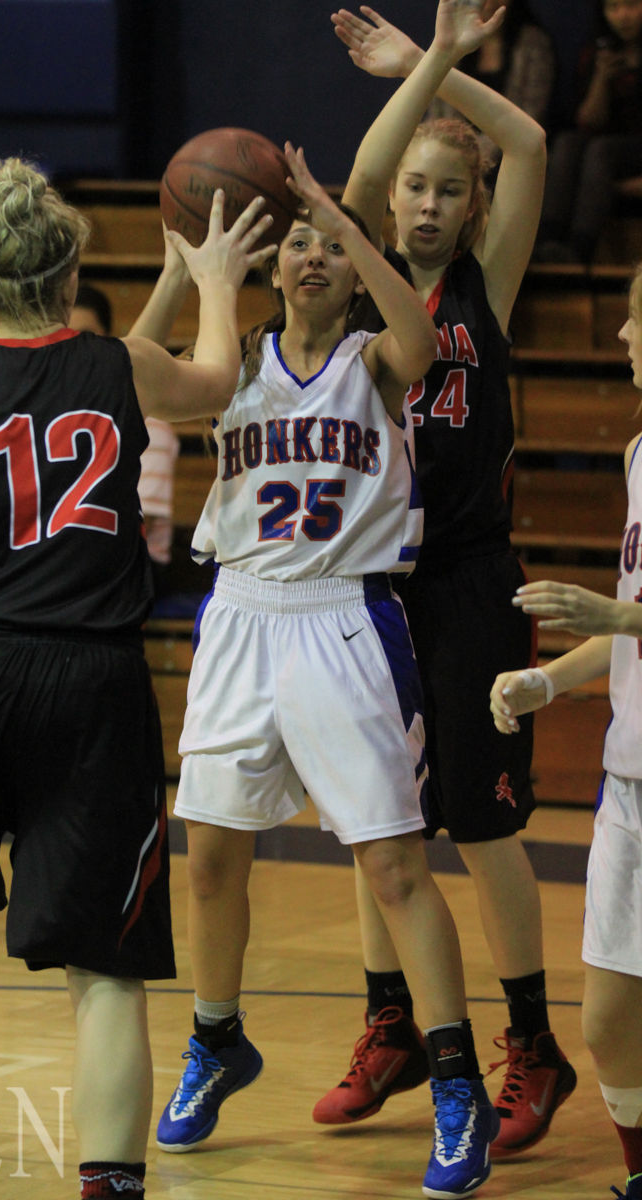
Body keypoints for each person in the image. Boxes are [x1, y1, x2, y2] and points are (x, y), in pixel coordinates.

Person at [0, 157, 276, 1200]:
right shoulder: (118, 367)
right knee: (106, 973)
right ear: (71, 262)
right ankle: (109, 1187)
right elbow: (212, 384)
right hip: (88, 683)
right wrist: (213, 277)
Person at [154, 17, 518, 1195]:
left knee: (394, 868)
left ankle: (453, 1076)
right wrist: (183, 262)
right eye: (295, 247)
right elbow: (127, 365)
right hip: (240, 618)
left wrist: (336, 215)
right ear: (264, 267)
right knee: (208, 859)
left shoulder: (374, 356)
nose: (310, 257)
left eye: (328, 246)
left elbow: (414, 327)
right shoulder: (228, 363)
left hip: (347, 620)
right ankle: (217, 1037)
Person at [314, 0, 576, 1160]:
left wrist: (441, 68)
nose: (421, 203)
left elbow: (524, 142)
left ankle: (532, 1044)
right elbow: (362, 169)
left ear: (470, 209)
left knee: (478, 826)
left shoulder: (489, 286)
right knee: (382, 824)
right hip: (370, 584)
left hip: (467, 581)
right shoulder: (365, 278)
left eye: (442, 190)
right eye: (412, 188)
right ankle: (394, 1025)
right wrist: (414, 73)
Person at [489, 261, 642, 1200]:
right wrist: (549, 679)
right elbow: (627, 623)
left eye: (636, 320)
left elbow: (626, 617)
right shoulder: (637, 452)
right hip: (630, 777)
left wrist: (617, 620)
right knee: (609, 1017)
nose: (623, 338)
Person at [70, 281, 181, 597]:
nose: (76, 349)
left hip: (135, 561)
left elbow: (124, 526)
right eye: (66, 338)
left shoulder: (151, 419)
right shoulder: (47, 408)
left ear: (110, 340)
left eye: (87, 337)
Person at [535, 0, 642, 264]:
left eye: (631, 5)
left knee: (601, 150)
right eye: (613, 8)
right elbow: (588, 122)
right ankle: (547, 241)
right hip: (605, 151)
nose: (623, 16)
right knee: (568, 142)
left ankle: (579, 250)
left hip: (628, 151)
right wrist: (602, 78)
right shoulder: (597, 52)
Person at [429, 0, 556, 183]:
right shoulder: (456, 39)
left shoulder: (533, 43)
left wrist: (473, 155)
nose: (485, 3)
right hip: (454, 152)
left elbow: (531, 115)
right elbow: (438, 108)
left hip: (507, 151)